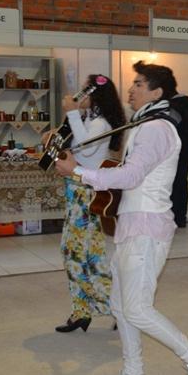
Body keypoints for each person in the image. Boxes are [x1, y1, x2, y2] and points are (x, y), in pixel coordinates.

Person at [55, 61, 188, 375]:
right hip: (132, 223)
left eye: (139, 84)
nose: (131, 89)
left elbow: (131, 177)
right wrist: (81, 169)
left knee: (138, 309)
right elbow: (124, 172)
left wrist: (78, 174)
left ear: (157, 92)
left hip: (147, 225)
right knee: (120, 304)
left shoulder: (157, 128)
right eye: (133, 83)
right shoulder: (146, 123)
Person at [52, 74, 125, 333]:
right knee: (80, 254)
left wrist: (72, 113)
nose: (79, 94)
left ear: (95, 95)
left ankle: (115, 308)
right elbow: (75, 150)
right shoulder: (88, 120)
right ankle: (83, 311)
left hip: (87, 193)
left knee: (82, 254)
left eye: (85, 90)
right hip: (77, 191)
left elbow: (86, 148)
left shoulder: (101, 124)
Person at [169, 91, 188, 228]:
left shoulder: (174, 109)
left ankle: (173, 216)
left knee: (173, 185)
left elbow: (170, 130)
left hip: (174, 153)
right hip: (187, 152)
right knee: (182, 184)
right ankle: (181, 217)